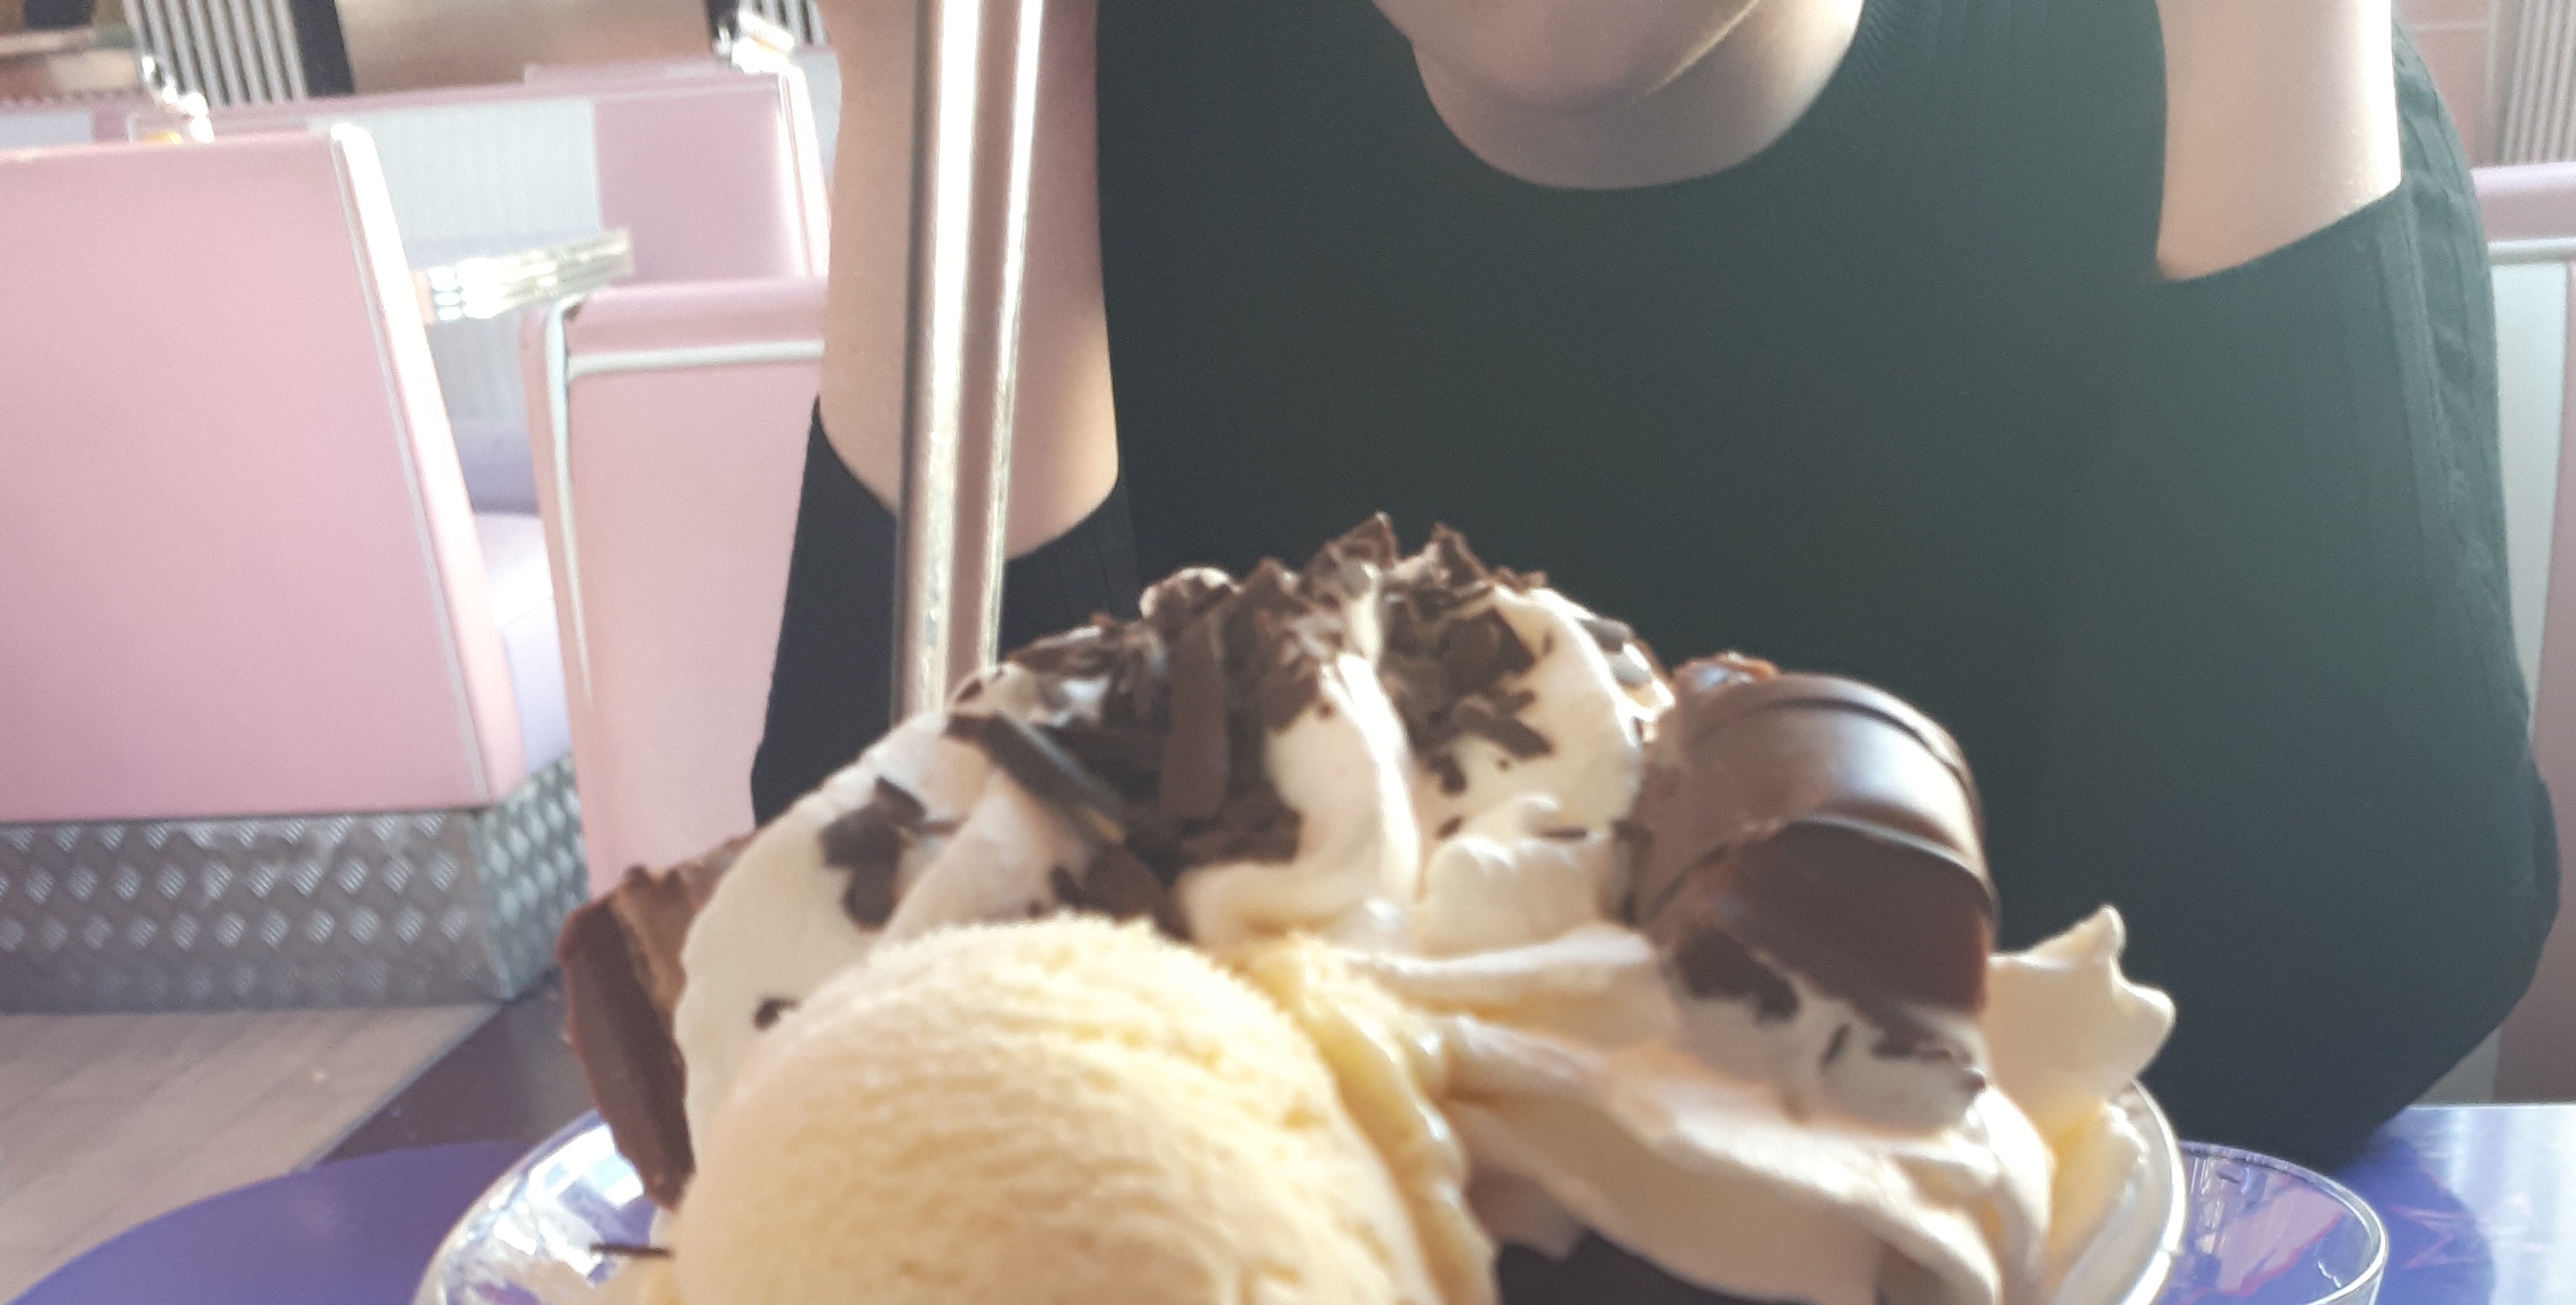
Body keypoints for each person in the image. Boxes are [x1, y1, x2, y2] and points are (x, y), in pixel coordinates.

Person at [757, 0, 2556, 1163]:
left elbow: (2310, 1031)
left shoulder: (2177, 99)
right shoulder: (1108, 112)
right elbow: (885, 1042)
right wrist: (953, 86)